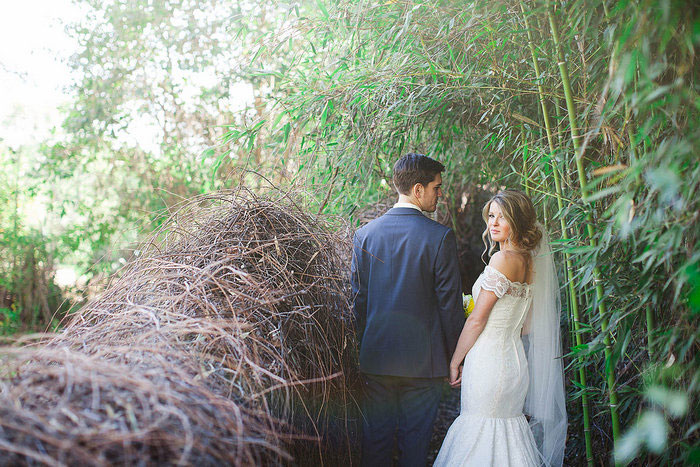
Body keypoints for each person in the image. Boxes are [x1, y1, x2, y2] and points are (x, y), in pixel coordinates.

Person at [434, 189, 567, 467]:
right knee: (507, 433)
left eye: (502, 217)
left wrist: (455, 361)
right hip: (514, 363)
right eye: (491, 216)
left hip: (490, 363)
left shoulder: (502, 259)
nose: (493, 223)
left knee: (481, 432)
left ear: (517, 222)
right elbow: (528, 325)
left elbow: (477, 320)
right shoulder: (530, 261)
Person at [351, 153, 465, 467]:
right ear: (418, 189)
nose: (439, 194)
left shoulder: (365, 236)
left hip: (376, 360)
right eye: (436, 187)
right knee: (415, 449)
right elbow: (450, 305)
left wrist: (365, 348)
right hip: (424, 366)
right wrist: (455, 358)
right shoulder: (439, 237)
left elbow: (358, 302)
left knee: (376, 445)